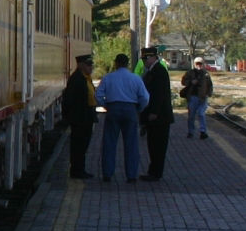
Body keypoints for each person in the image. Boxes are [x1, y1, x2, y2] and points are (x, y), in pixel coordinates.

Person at [94, 53, 148, 183]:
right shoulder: (135, 78)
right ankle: (131, 175)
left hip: (113, 108)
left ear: (116, 63)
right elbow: (145, 97)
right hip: (130, 110)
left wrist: (105, 106)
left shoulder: (108, 78)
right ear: (128, 64)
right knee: (131, 143)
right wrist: (139, 109)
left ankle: (107, 173)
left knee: (109, 142)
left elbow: (98, 95)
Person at [139, 45, 173, 180]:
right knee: (153, 145)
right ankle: (153, 171)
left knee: (157, 145)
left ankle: (155, 173)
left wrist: (154, 112)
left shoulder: (159, 71)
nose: (144, 61)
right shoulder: (152, 71)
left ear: (153, 57)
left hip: (159, 117)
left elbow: (159, 94)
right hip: (155, 116)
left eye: (146, 58)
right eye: (143, 58)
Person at [62, 55, 96, 179]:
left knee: (83, 145)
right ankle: (77, 170)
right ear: (81, 65)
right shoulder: (77, 79)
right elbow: (69, 100)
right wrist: (70, 117)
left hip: (86, 116)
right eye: (88, 65)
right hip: (79, 118)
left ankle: (80, 169)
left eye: (91, 65)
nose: (91, 67)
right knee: (78, 146)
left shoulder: (85, 78)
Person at [181, 59, 213, 140]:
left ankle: (203, 132)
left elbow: (210, 85)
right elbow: (183, 81)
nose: (199, 65)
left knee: (201, 114)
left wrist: (209, 93)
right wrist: (191, 82)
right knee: (191, 115)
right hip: (192, 97)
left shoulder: (206, 74)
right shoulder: (190, 73)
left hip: (202, 97)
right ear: (194, 64)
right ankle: (191, 132)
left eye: (200, 63)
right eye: (197, 63)